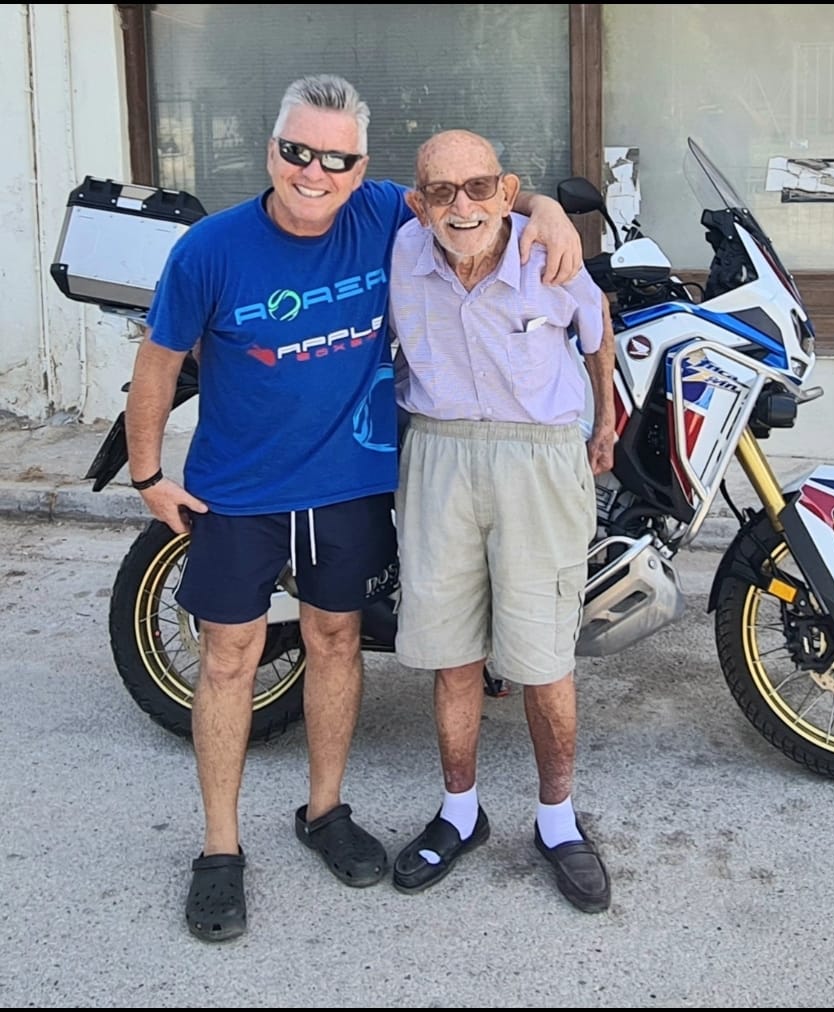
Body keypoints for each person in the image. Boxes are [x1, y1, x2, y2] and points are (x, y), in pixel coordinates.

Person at [123, 75, 585, 943]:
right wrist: (148, 473)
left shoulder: (382, 214)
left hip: (348, 485)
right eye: (297, 151)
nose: (315, 172)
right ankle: (219, 851)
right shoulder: (210, 248)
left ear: (361, 169)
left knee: (336, 643)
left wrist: (551, 211)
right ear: (272, 150)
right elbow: (159, 359)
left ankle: (325, 812)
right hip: (239, 491)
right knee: (228, 661)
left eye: (336, 159)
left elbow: (472, 196)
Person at [386, 129, 617, 913]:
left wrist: (605, 423)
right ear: (418, 203)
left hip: (537, 460)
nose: (463, 206)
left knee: (544, 662)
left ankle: (557, 822)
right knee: (452, 658)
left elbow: (596, 327)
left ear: (508, 191)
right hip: (438, 456)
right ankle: (460, 813)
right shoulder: (399, 254)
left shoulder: (546, 249)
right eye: (441, 192)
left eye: (480, 187)